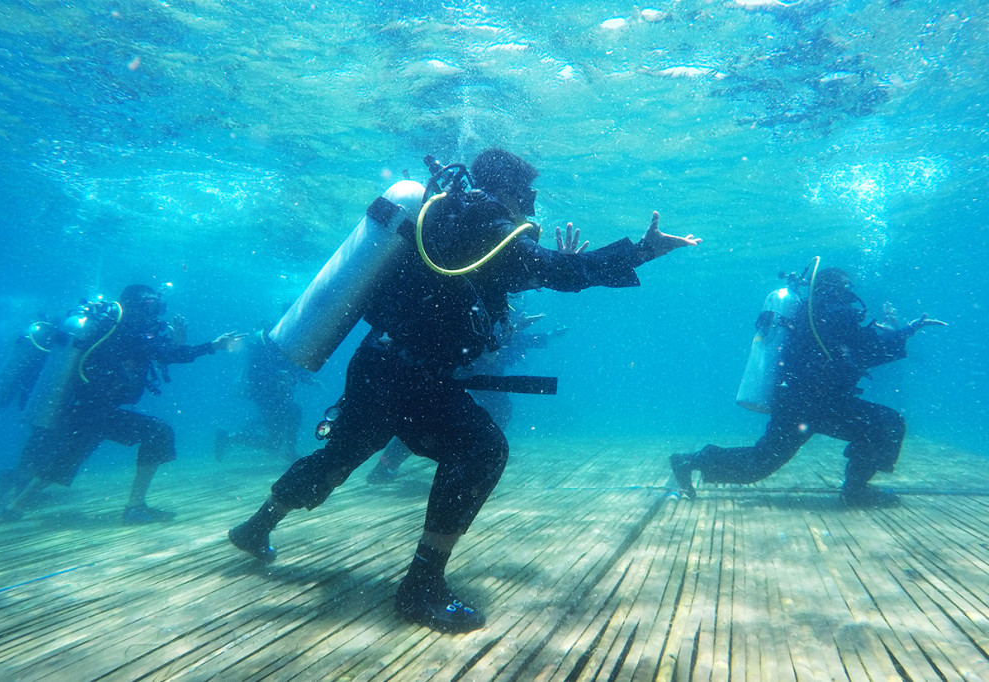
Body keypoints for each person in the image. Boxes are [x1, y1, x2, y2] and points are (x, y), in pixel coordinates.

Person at [227, 148, 700, 634]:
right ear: (511, 191)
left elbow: (518, 276)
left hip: (378, 361)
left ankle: (258, 525)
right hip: (411, 375)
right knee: (482, 450)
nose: (534, 206)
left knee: (343, 451)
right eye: (531, 194)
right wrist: (644, 249)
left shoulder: (449, 222)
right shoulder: (488, 226)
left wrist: (558, 266)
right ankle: (421, 587)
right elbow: (558, 274)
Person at [669, 267, 946, 507]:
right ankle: (855, 490)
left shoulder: (813, 312)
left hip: (805, 402)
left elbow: (855, 352)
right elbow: (864, 351)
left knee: (760, 462)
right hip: (812, 404)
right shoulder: (832, 314)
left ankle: (690, 461)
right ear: (834, 288)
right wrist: (904, 330)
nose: (850, 292)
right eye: (846, 286)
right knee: (887, 424)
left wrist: (899, 331)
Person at [0, 284, 240, 525]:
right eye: (151, 306)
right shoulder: (128, 332)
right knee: (157, 432)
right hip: (93, 409)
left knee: (68, 456)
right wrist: (213, 346)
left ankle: (14, 509)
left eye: (158, 306)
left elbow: (166, 353)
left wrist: (193, 344)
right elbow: (169, 355)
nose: (156, 313)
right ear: (134, 305)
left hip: (86, 408)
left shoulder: (115, 328)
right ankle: (134, 506)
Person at [366, 309, 567, 484]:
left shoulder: (492, 304)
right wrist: (515, 329)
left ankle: (391, 465)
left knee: (434, 418)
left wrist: (547, 335)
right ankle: (468, 456)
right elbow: (486, 338)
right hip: (467, 370)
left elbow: (510, 341)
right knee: (435, 418)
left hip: (469, 372)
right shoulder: (485, 302)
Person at [215, 328, 314, 462]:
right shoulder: (263, 344)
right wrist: (276, 374)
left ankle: (289, 450)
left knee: (293, 414)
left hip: (277, 396)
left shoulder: (280, 343)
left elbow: (291, 367)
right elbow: (255, 372)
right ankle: (228, 437)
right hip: (267, 397)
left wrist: (309, 380)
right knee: (275, 441)